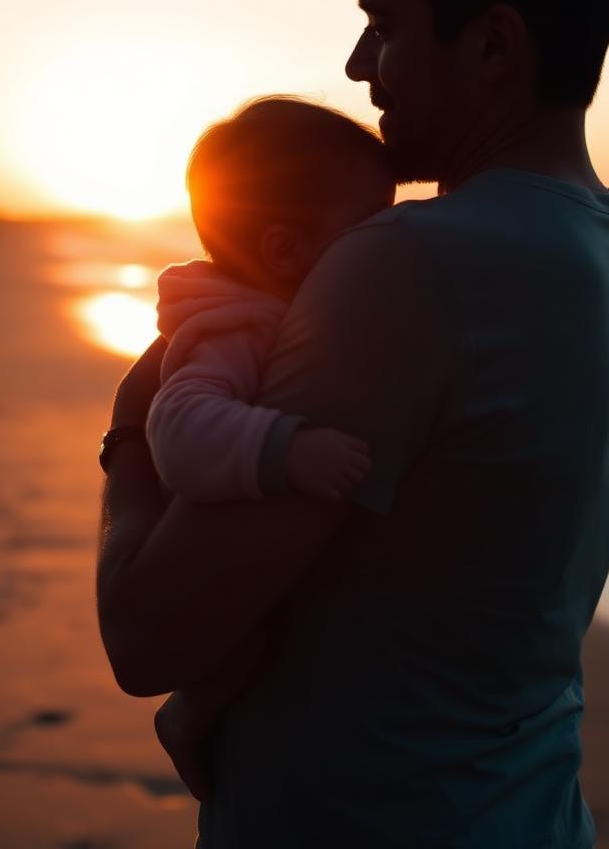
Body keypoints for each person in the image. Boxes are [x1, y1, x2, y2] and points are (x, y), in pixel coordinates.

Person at [97, 0, 609, 847]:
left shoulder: (411, 263)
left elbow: (149, 634)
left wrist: (132, 428)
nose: (359, 66)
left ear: (493, 44)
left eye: (384, 25)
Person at [142, 96, 394, 798]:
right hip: (209, 554)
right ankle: (192, 715)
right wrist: (287, 447)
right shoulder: (234, 327)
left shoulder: (278, 305)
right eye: (373, 225)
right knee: (263, 642)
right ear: (285, 249)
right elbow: (178, 431)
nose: (392, 241)